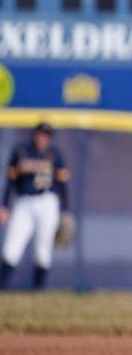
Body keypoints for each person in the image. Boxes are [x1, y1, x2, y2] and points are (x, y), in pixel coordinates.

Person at [0, 123, 69, 290]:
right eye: (40, 134)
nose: (42, 138)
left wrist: (65, 211)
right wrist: (4, 205)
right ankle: (2, 286)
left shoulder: (54, 154)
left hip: (47, 202)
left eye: (46, 135)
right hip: (24, 201)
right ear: (34, 134)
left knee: (43, 248)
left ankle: (38, 289)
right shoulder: (21, 151)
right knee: (11, 246)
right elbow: (10, 182)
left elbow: (62, 184)